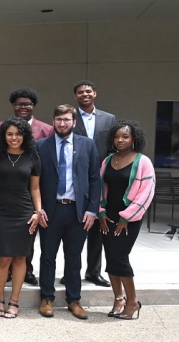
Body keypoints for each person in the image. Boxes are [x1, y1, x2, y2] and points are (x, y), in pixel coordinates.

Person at [36, 105, 100, 320]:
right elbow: (34, 181)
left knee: (74, 257)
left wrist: (93, 210)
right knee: (48, 255)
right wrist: (38, 209)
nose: (62, 123)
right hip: (50, 211)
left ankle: (74, 299)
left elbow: (94, 179)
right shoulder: (41, 146)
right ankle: (46, 298)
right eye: (58, 119)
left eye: (66, 120)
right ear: (53, 121)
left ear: (74, 122)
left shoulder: (88, 145)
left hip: (78, 211)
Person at [0, 117, 42, 318]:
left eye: (18, 134)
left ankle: (14, 301)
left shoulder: (33, 157)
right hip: (1, 213)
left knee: (20, 258)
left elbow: (35, 188)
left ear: (24, 135)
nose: (14, 137)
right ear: (4, 135)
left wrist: (38, 212)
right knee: (3, 258)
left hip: (24, 213)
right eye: (9, 134)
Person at [0, 87, 52, 286]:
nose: (23, 107)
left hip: (30, 184)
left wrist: (39, 208)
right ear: (13, 106)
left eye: (27, 104)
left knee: (26, 241)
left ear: (33, 106)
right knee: (4, 249)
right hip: (4, 193)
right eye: (19, 104)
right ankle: (7, 272)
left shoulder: (46, 129)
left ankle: (27, 269)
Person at [99, 120, 155, 320]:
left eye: (125, 136)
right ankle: (118, 299)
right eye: (116, 136)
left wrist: (126, 217)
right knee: (110, 258)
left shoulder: (142, 162)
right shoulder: (108, 161)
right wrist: (101, 212)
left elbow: (145, 194)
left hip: (129, 218)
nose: (120, 140)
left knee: (120, 257)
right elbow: (100, 188)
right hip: (108, 217)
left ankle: (132, 302)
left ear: (134, 139)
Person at [72, 80, 117, 288]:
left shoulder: (109, 119)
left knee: (98, 228)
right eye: (80, 92)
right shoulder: (69, 118)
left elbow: (113, 147)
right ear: (75, 96)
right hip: (75, 178)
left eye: (88, 91)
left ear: (95, 93)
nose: (85, 94)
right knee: (75, 227)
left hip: (100, 179)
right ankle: (71, 270)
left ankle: (93, 272)